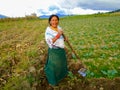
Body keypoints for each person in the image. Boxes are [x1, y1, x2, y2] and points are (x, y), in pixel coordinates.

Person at [44, 14, 68, 86]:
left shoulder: (59, 28)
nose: (55, 22)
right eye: (53, 20)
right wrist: (58, 35)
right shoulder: (48, 31)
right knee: (53, 67)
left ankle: (61, 76)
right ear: (50, 22)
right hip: (54, 51)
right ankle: (53, 81)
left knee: (61, 64)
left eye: (56, 20)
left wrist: (65, 38)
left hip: (61, 50)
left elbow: (62, 35)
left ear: (58, 21)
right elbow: (49, 42)